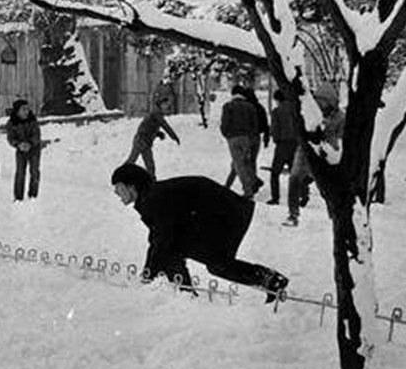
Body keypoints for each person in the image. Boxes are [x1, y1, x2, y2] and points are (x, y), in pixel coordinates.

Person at [111, 163, 289, 302]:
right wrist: (150, 272)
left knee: (214, 262)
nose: (116, 192)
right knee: (187, 252)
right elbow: (158, 238)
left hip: (226, 213)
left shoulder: (152, 199)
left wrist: (148, 274)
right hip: (224, 212)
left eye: (118, 187)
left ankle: (186, 294)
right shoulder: (152, 196)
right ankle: (185, 292)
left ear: (131, 186)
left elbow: (162, 239)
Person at [283, 85, 342, 227]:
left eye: (324, 101)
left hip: (325, 154)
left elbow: (340, 138)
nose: (320, 105)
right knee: (294, 179)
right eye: (318, 101)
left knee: (326, 187)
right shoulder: (311, 113)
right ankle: (293, 214)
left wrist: (330, 143)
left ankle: (334, 215)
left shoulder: (340, 117)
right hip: (304, 151)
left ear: (332, 102)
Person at [124, 92, 181, 179]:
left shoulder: (157, 114)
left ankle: (152, 183)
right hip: (141, 141)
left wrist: (158, 134)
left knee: (150, 165)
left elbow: (150, 126)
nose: (167, 106)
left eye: (167, 104)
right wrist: (174, 136)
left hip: (146, 142)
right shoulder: (156, 113)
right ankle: (120, 176)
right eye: (165, 104)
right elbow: (165, 125)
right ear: (160, 104)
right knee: (132, 161)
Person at [220, 85, 264, 197]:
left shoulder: (228, 106)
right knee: (244, 162)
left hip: (233, 138)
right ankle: (252, 180)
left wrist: (226, 135)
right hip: (246, 138)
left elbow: (224, 123)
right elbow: (254, 124)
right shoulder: (250, 107)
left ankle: (248, 190)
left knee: (239, 165)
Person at [7, 99, 42, 201]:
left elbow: (37, 135)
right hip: (20, 150)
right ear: (17, 111)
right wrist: (18, 144)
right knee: (20, 173)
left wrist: (30, 143)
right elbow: (10, 138)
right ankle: (18, 197)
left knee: (34, 172)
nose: (26, 111)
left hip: (34, 149)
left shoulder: (33, 120)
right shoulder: (12, 122)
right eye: (23, 109)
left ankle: (33, 195)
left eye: (27, 108)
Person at [267, 89, 298, 205]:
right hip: (295, 143)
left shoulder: (276, 111)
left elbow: (274, 129)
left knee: (275, 172)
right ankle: (302, 195)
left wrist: (275, 139)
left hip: (282, 144)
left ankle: (275, 197)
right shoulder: (295, 109)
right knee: (295, 172)